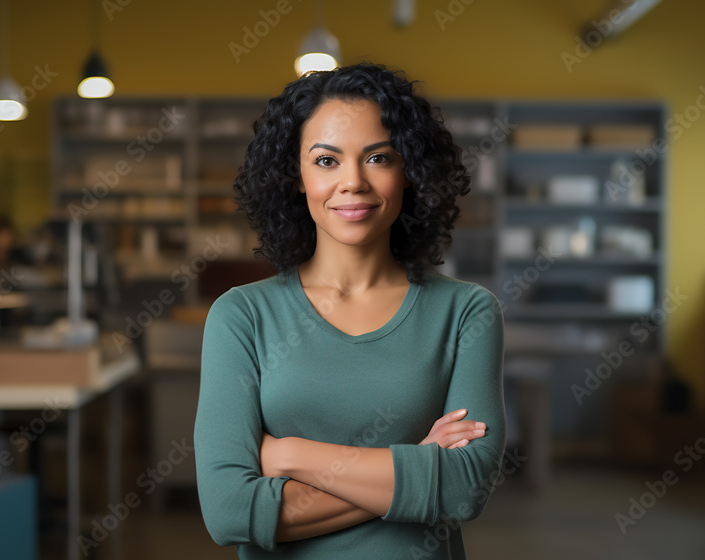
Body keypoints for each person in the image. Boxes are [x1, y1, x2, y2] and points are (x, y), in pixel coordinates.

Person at [194, 62, 506, 559]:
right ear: (295, 176)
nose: (353, 182)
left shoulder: (467, 312)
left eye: (379, 157)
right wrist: (420, 467)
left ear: (409, 171)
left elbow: (465, 488)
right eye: (326, 161)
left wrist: (289, 454)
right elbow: (230, 512)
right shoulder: (242, 316)